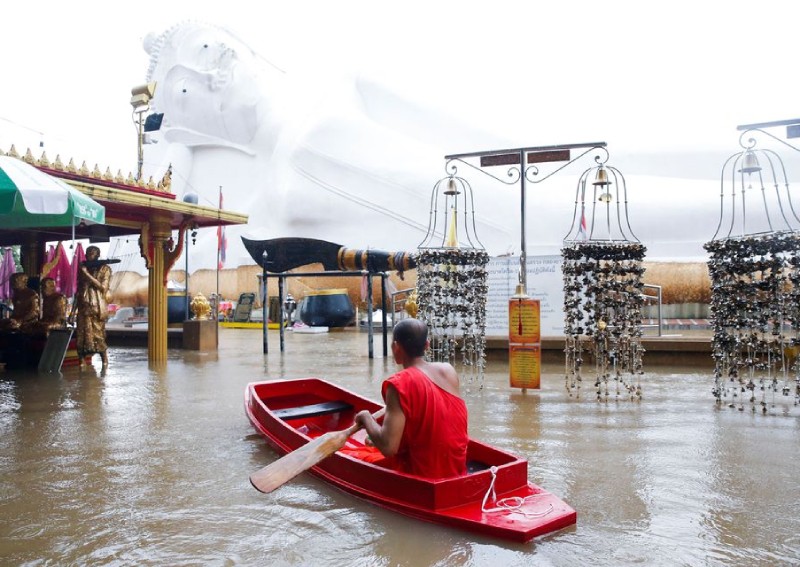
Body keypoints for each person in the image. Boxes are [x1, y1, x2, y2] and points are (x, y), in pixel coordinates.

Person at [354, 318, 469, 479]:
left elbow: (388, 448)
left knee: (357, 455)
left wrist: (365, 418)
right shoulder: (448, 371)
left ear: (395, 347)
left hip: (422, 477)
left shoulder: (398, 384)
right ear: (427, 345)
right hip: (457, 471)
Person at [70, 246, 112, 369]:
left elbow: (103, 287)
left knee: (98, 334)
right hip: (83, 306)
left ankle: (104, 359)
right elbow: (78, 291)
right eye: (88, 253)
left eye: (92, 253)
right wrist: (73, 312)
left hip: (96, 307)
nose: (89, 256)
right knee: (81, 336)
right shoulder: (83, 268)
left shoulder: (105, 269)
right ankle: (82, 361)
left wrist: (87, 274)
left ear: (98, 255)